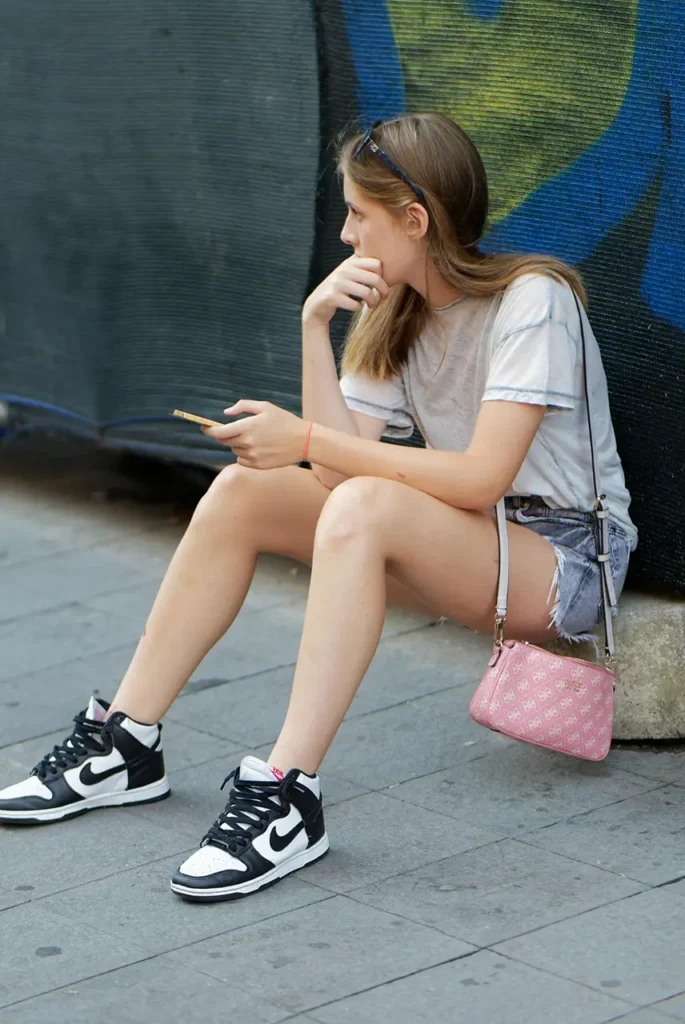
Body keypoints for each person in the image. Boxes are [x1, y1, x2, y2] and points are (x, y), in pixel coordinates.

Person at [0, 113, 637, 903]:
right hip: (462, 537)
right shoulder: (390, 308)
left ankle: (287, 792)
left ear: (414, 220)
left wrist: (304, 434)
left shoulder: (531, 301)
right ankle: (125, 741)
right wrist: (313, 325)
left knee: (366, 504)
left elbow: (478, 478)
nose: (343, 236)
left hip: (559, 561)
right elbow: (332, 476)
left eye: (357, 216)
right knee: (245, 490)